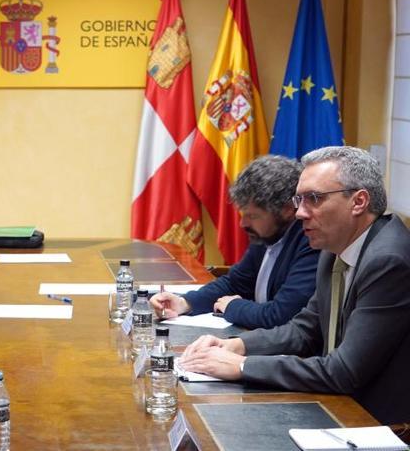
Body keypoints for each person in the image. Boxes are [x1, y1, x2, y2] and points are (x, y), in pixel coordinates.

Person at [180, 146, 410, 425]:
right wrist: (237, 345)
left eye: (313, 198)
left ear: (359, 201)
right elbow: (303, 330)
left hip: (378, 422)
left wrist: (243, 366)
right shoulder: (334, 245)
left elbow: (344, 371)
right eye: (299, 200)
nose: (300, 213)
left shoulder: (388, 261)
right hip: (336, 404)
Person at [150, 155, 319, 329]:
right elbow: (235, 283)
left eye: (252, 216)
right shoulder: (267, 235)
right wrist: (185, 303)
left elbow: (281, 315)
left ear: (287, 210)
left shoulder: (311, 242)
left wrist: (233, 306)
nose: (243, 223)